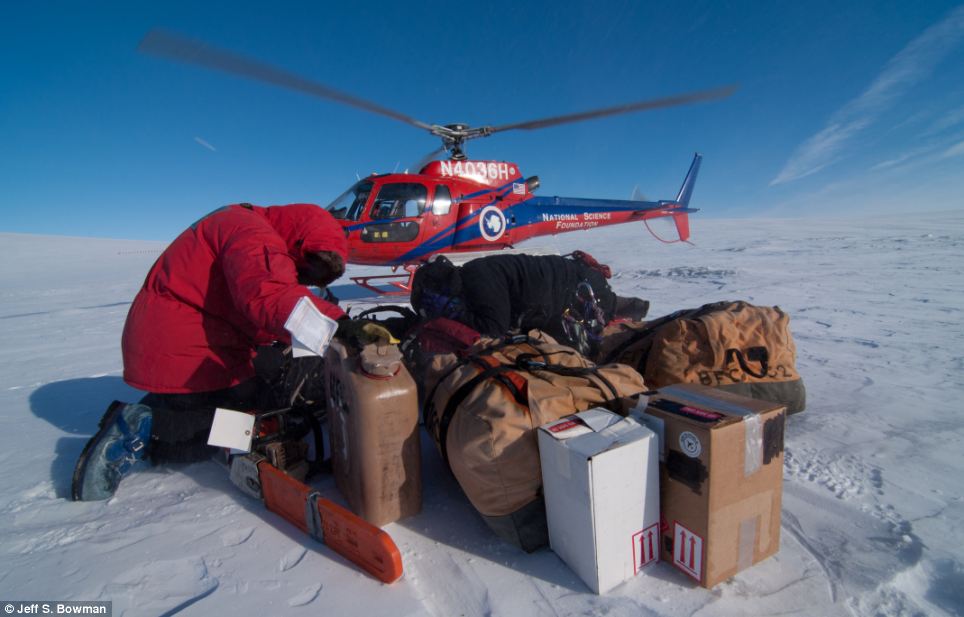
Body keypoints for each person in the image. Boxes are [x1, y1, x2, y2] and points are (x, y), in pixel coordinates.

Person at [72, 203, 355, 501]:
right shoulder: (254, 233)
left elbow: (253, 311)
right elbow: (269, 295)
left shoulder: (241, 223)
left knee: (255, 389)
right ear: (299, 240)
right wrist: (339, 325)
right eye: (307, 266)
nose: (302, 274)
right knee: (242, 423)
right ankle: (145, 426)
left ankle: (159, 410)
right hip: (184, 345)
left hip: (181, 342)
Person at [410, 252, 648, 355]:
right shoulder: (473, 275)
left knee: (581, 356)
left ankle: (637, 319)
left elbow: (494, 328)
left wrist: (455, 313)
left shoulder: (477, 279)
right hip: (575, 282)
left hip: (580, 292)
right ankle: (631, 308)